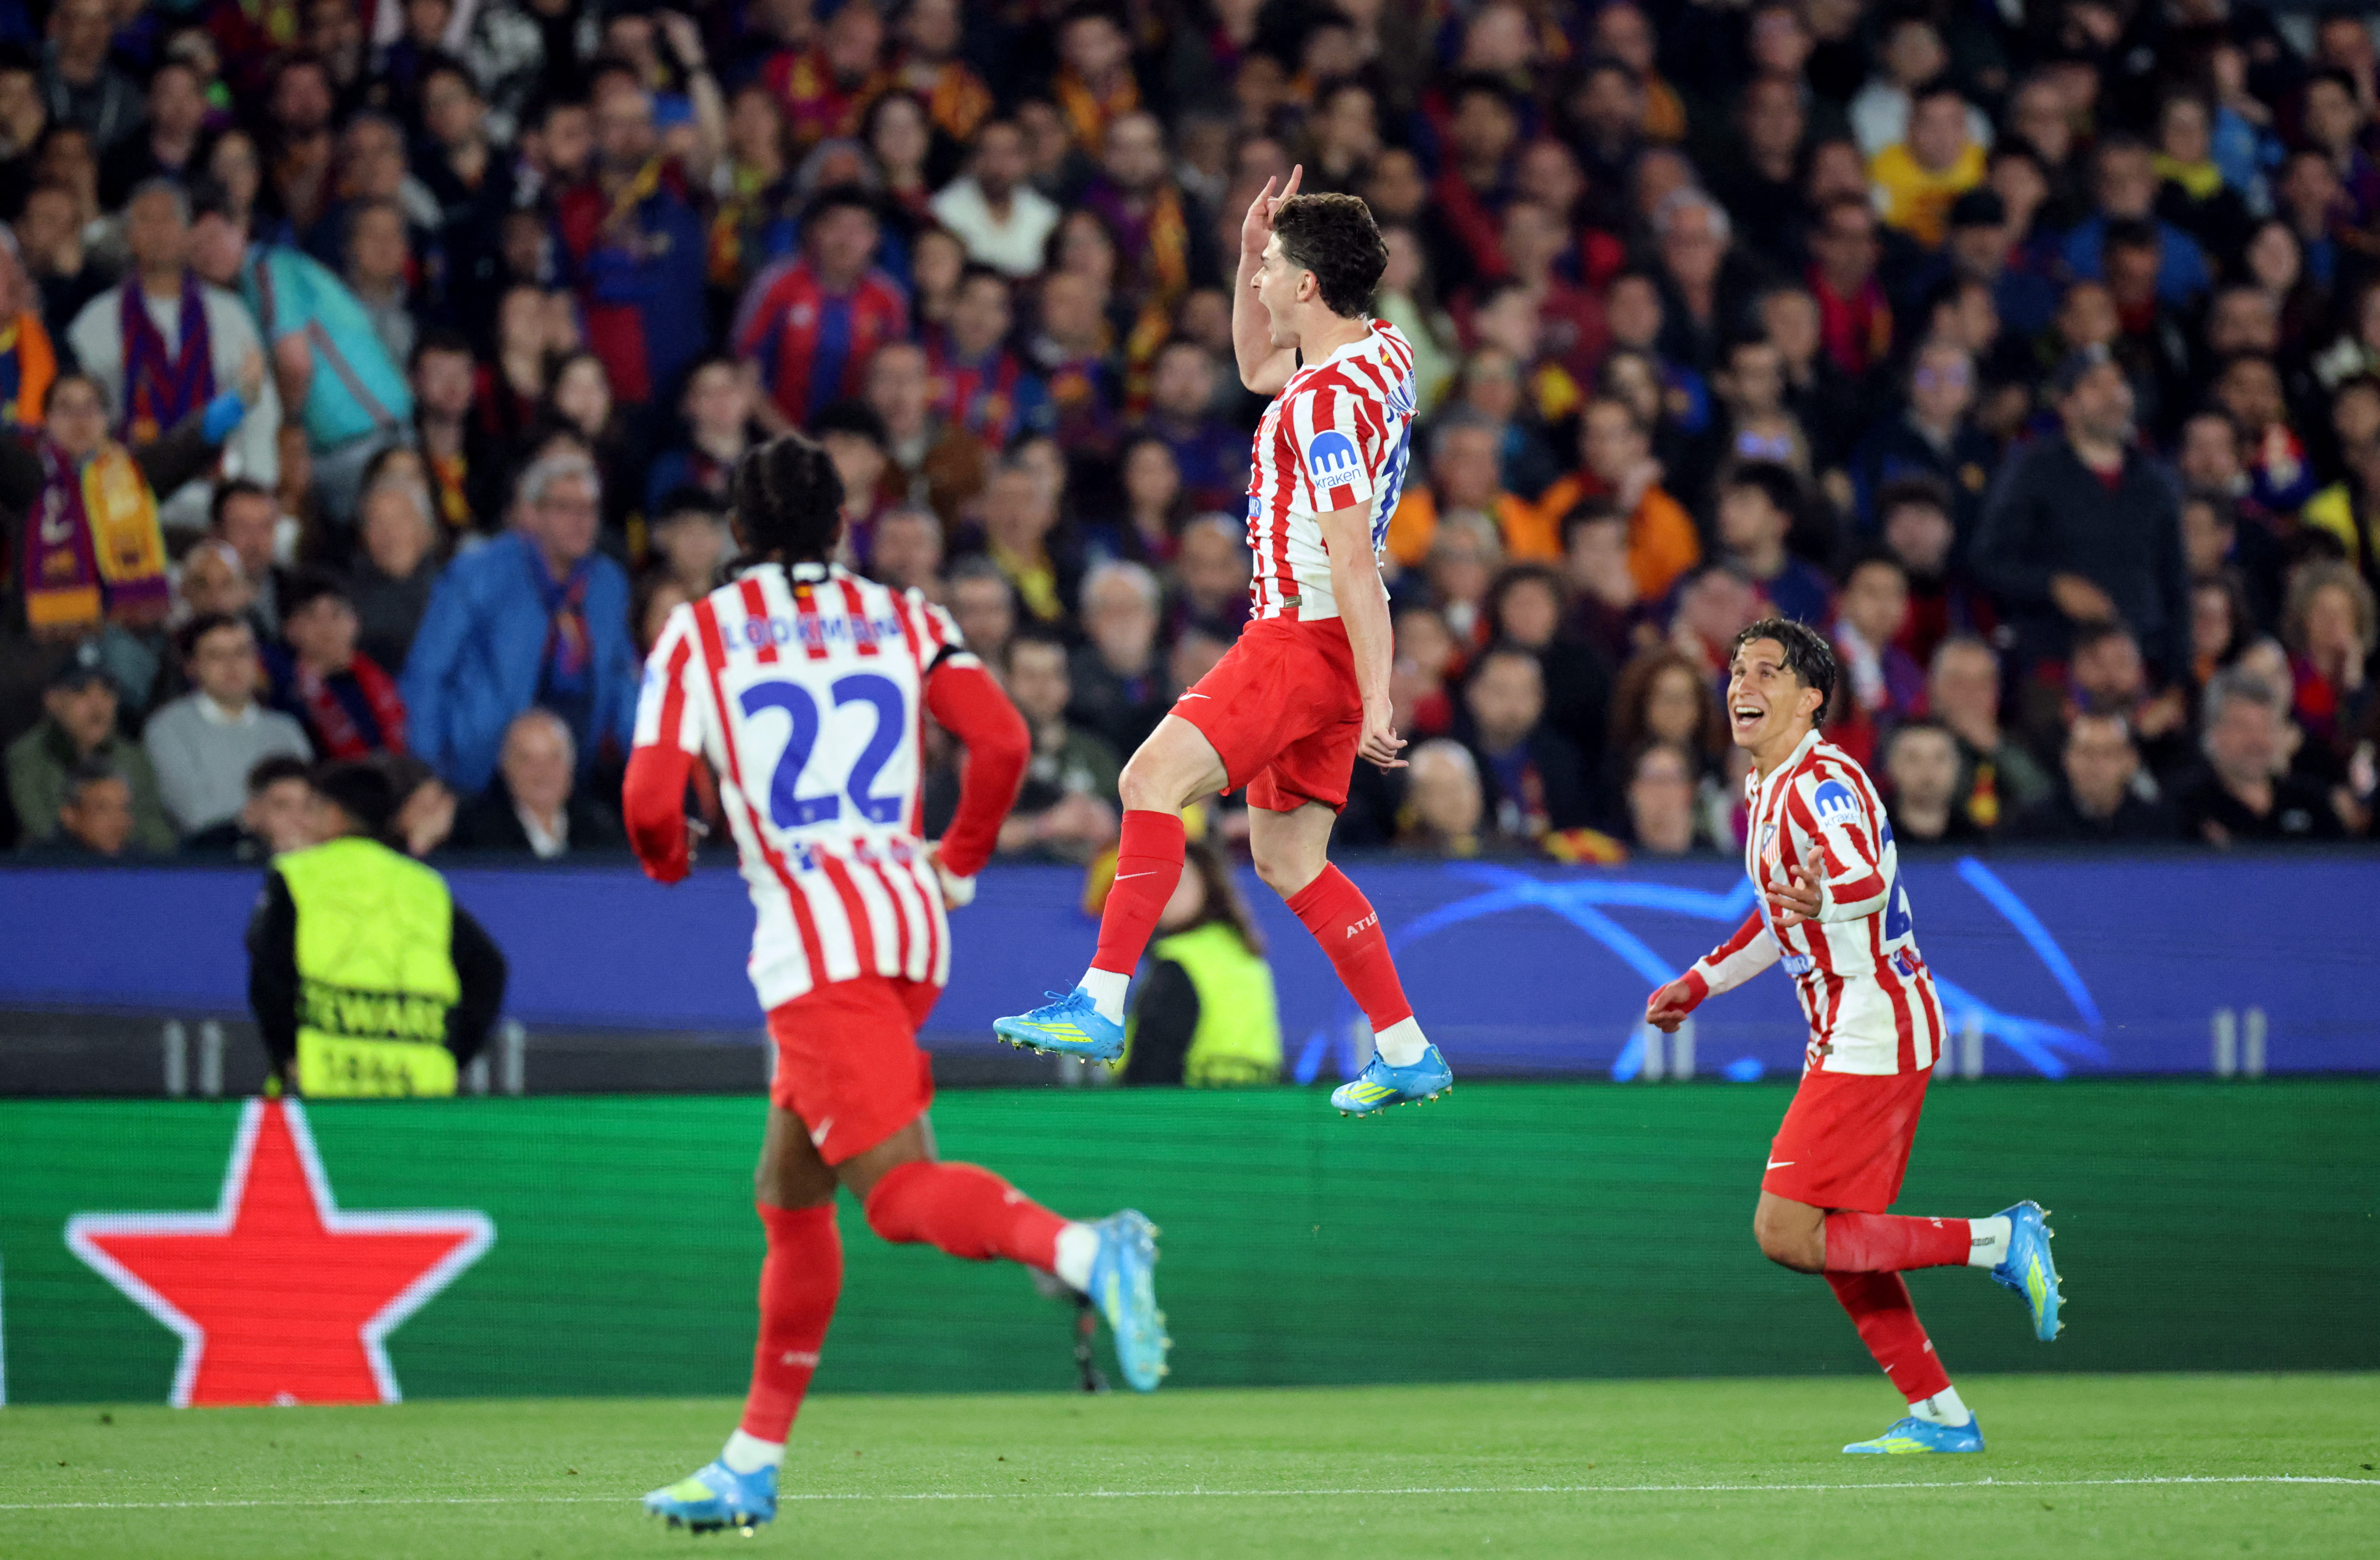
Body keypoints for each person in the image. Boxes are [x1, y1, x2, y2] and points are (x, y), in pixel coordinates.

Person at [624, 434, 1165, 1534]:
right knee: (789, 1196)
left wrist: (672, 856)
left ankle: (1080, 1246)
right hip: (908, 923)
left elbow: (647, 803)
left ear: (736, 533)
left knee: (894, 1197)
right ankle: (749, 1464)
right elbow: (1002, 742)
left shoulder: (699, 631)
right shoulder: (902, 615)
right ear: (840, 528)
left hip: (817, 944)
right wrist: (959, 860)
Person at [993, 171, 1453, 1119]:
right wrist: (1249, 244)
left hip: (1297, 640)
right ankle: (1405, 1049)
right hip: (1325, 651)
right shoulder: (1386, 356)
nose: (1255, 284)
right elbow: (1254, 372)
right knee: (1288, 863)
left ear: (1309, 291)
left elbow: (1351, 557)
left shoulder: (1319, 410)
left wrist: (1375, 694)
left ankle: (1101, 1001)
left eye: (1271, 270)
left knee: (1143, 785)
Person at [1643, 619, 2063, 1457]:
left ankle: (1998, 1239)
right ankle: (1941, 1414)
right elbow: (1777, 914)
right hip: (1848, 1023)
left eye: (1766, 672)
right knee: (1838, 1240)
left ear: (1809, 700)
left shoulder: (1821, 780)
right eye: (1735, 670)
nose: (1741, 685)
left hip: (1873, 1022)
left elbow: (1862, 877)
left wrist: (1822, 900)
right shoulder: (1768, 789)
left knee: (1783, 1230)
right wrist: (1700, 981)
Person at [245, 758, 507, 1096]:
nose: (304, 821)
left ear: (335, 814)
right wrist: (450, 1053)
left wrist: (287, 1053)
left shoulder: (300, 874)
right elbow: (488, 969)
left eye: (312, 808)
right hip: (417, 1088)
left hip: (325, 1083)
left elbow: (269, 972)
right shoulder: (426, 885)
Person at [400, 452, 641, 796]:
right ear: (532, 514)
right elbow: (428, 673)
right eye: (565, 508)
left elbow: (621, 678)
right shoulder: (477, 574)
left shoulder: (607, 582)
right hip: (480, 771)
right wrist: (424, 772)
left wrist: (648, 767)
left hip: (573, 771)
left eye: (589, 510)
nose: (581, 522)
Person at [1120, 838, 1283, 1087]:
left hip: (1190, 1113)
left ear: (1209, 886)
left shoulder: (1179, 960)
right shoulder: (1246, 956)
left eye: (1177, 881)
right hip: (1254, 1111)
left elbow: (1152, 1068)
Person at [144, 612, 313, 840]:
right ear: (192, 667)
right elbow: (194, 814)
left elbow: (309, 806)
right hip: (212, 859)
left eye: (242, 653)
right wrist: (260, 819)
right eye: (216, 656)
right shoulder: (167, 729)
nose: (232, 665)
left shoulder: (286, 730)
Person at [8, 658, 175, 854]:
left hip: (127, 866)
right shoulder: (28, 756)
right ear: (53, 701)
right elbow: (41, 826)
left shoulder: (133, 757)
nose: (98, 707)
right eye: (82, 693)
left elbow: (156, 829)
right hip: (55, 868)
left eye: (107, 694)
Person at [2173, 670, 2349, 846]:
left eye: (2266, 728)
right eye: (2242, 727)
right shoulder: (2186, 808)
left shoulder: (2312, 802)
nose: (2257, 741)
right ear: (2213, 732)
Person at [453, 708, 626, 857]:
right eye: (526, 760)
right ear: (506, 767)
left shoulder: (601, 827)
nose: (542, 773)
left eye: (554, 758)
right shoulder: (473, 835)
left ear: (571, 765)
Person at [2003, 712, 2178, 843]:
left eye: (2108, 754)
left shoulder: (2157, 826)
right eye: (2086, 753)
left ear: (2130, 761)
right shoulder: (2033, 826)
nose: (2096, 764)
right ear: (2067, 759)